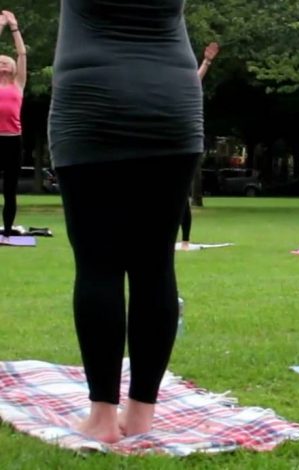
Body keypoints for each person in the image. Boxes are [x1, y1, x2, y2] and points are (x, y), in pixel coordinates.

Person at [49, 0, 204, 442]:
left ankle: (101, 418)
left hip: (91, 99)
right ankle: (140, 415)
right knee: (155, 264)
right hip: (170, 100)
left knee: (98, 264)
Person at [179, 41, 220, 251]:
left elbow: (196, 79)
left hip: (182, 145)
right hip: (162, 145)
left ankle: (185, 240)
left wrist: (206, 62)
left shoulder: (182, 90)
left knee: (180, 196)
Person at [0, 10, 26, 243]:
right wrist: (0, 26)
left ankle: (7, 233)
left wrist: (14, 27)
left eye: (5, 61)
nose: (3, 63)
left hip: (13, 140)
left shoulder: (19, 84)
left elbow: (21, 53)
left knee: (10, 190)